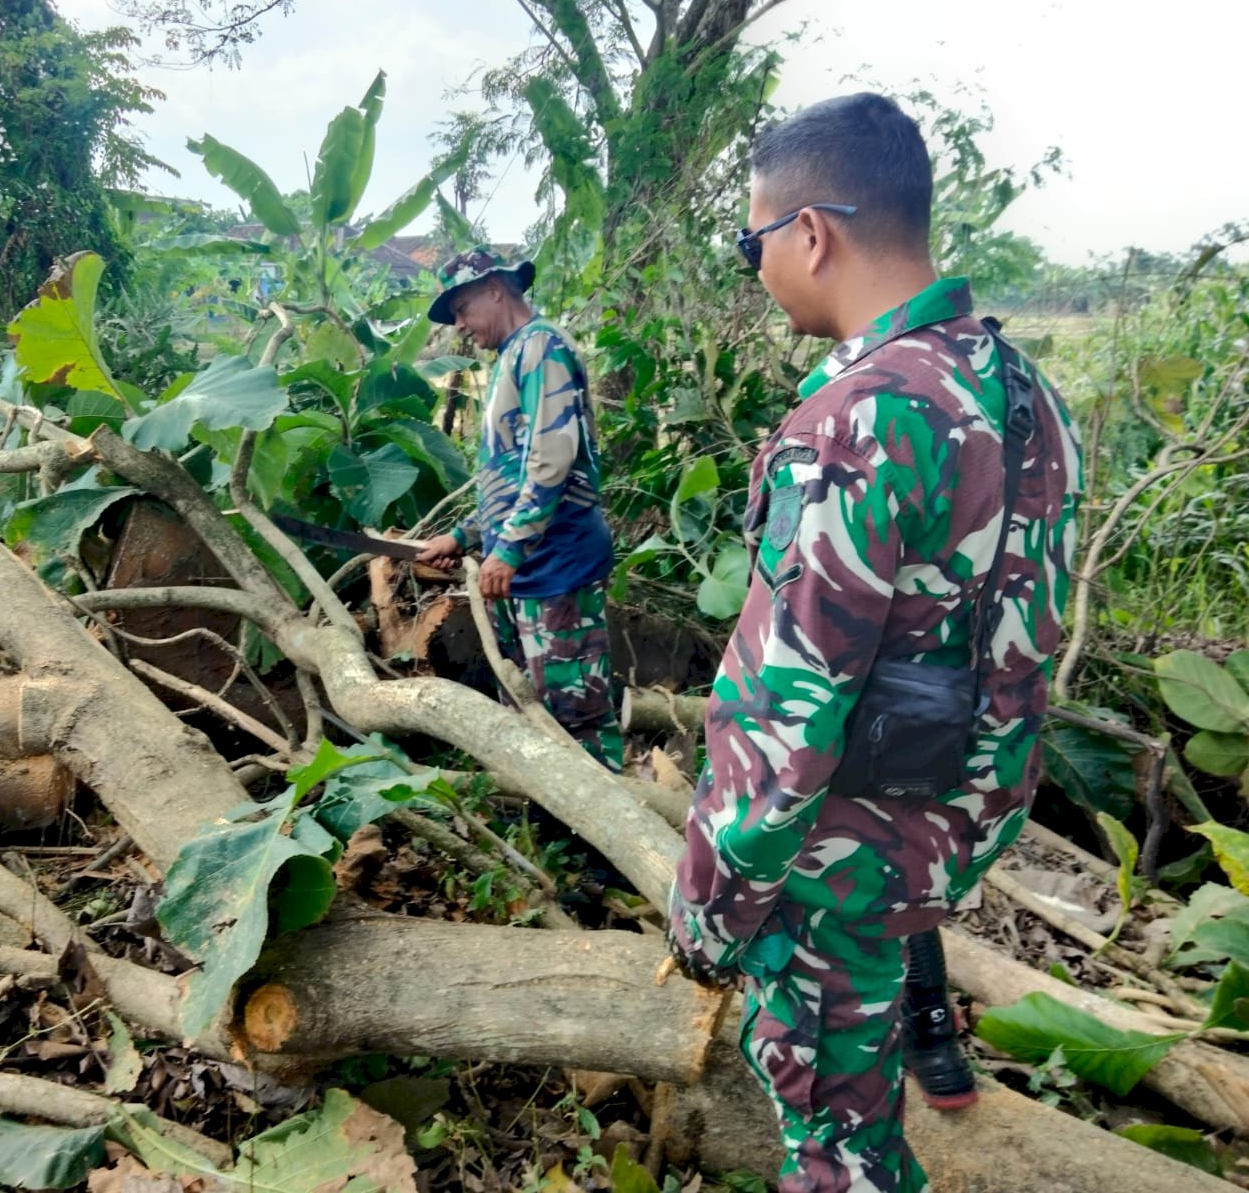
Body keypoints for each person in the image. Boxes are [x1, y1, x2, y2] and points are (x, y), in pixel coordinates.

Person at [664, 94, 1082, 1193]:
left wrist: (708, 904)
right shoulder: (1025, 392)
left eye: (752, 240)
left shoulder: (853, 421)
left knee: (837, 1155)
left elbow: (785, 709)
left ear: (810, 232)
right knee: (862, 1111)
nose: (756, 266)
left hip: (830, 858)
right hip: (947, 832)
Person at [417, 247, 624, 772]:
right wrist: (464, 537)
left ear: (495, 288)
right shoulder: (515, 355)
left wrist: (506, 548)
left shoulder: (542, 348)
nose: (460, 326)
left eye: (461, 309)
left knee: (575, 711)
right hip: (523, 570)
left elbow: (552, 461)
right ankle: (550, 820)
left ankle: (607, 842)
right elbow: (511, 477)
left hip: (558, 563)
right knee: (530, 703)